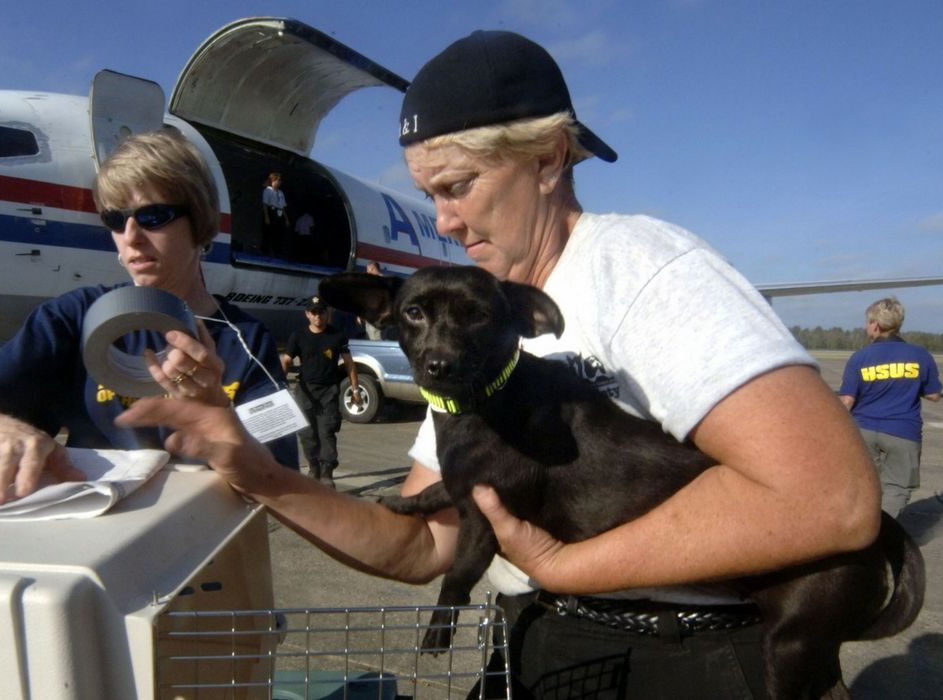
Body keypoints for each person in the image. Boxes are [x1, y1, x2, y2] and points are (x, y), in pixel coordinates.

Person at [116, 30, 881, 699]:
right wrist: (256, 470)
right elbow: (426, 545)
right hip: (541, 641)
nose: (443, 220)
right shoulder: (467, 332)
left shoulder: (642, 268)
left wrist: (561, 565)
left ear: (548, 158)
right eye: (429, 194)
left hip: (690, 652)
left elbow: (827, 497)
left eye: (458, 187)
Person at [0, 129, 298, 507]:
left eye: (154, 216)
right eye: (116, 218)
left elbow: (280, 479)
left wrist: (219, 415)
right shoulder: (75, 317)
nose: (131, 235)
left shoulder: (246, 340)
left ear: (200, 221)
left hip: (198, 537)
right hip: (95, 533)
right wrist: (1, 434)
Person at [839, 297, 942, 518]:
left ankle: (865, 532)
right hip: (903, 431)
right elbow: (934, 395)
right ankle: (883, 534)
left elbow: (847, 400)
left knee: (866, 485)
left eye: (867, 322)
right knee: (896, 488)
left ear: (875, 325)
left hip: (864, 430)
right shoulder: (920, 355)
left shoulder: (860, 357)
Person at [280, 297, 360, 487]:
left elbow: (349, 364)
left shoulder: (337, 336)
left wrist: (355, 389)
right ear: (307, 314)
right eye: (314, 313)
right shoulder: (298, 336)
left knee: (327, 432)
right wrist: (280, 384)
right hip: (305, 391)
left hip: (329, 392)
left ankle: (327, 472)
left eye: (321, 312)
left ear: (327, 313)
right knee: (307, 433)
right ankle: (313, 467)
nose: (318, 317)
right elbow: (286, 360)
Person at [261, 172, 289, 256]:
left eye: (280, 180)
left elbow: (283, 207)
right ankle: (266, 252)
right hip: (271, 211)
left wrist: (286, 218)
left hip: (279, 213)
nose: (280, 182)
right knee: (268, 233)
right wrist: (266, 217)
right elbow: (265, 204)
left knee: (278, 233)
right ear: (273, 181)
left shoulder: (281, 192)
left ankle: (277, 252)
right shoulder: (268, 190)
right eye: (278, 180)